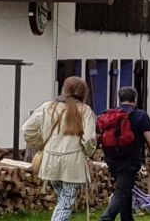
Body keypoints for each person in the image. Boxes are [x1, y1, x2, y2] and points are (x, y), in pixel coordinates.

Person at [22, 76, 97, 221]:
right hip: (73, 163)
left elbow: (27, 130)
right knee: (66, 202)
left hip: (50, 161)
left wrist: (43, 142)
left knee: (63, 200)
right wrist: (88, 152)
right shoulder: (85, 111)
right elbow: (89, 139)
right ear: (83, 92)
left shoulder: (47, 107)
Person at [99, 87, 150, 221]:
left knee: (125, 189)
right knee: (122, 192)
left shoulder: (109, 114)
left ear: (120, 98)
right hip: (130, 160)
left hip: (111, 158)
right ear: (135, 99)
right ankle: (105, 218)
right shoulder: (141, 115)